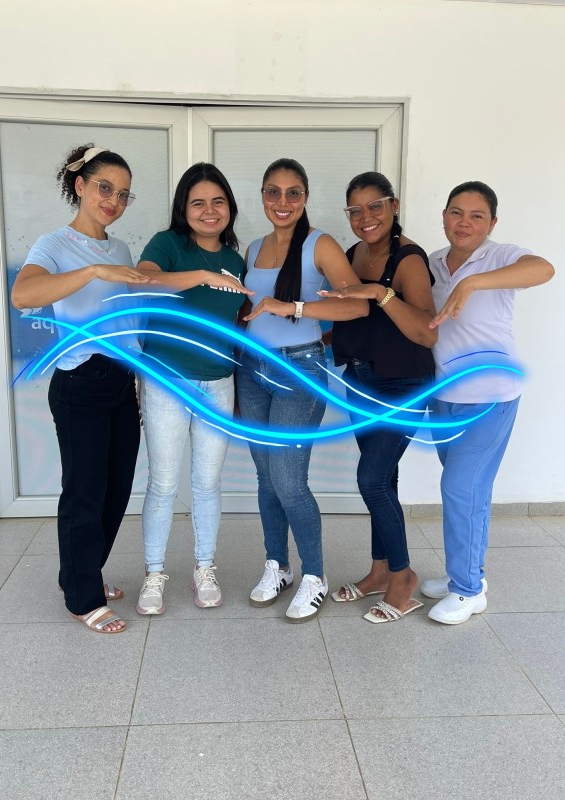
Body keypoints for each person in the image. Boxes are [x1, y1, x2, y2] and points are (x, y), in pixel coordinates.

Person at [11, 144, 151, 633]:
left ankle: (81, 571)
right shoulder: (54, 244)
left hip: (121, 380)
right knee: (85, 492)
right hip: (80, 382)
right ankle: (82, 596)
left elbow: (126, 320)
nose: (114, 201)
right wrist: (92, 270)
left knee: (116, 489)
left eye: (124, 194)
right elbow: (23, 294)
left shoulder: (121, 249)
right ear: (80, 186)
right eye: (104, 188)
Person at [237, 157, 368, 623]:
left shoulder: (320, 244)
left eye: (293, 193)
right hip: (252, 369)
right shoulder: (253, 248)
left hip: (299, 371)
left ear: (305, 198)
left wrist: (291, 307)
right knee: (266, 478)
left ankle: (315, 575)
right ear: (262, 196)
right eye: (273, 192)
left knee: (290, 481)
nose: (283, 201)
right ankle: (278, 565)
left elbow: (357, 307)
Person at [422, 181, 554, 624]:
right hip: (443, 398)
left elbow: (544, 269)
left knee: (460, 489)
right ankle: (466, 574)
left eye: (477, 216)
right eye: (456, 212)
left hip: (490, 399)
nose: (465, 223)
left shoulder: (500, 256)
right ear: (444, 216)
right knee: (469, 492)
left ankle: (467, 591)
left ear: (492, 223)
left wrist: (473, 282)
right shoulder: (432, 263)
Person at [317, 172, 437, 623]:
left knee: (370, 479)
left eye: (375, 206)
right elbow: (358, 319)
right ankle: (380, 571)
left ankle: (403, 577)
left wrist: (382, 293)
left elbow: (425, 332)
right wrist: (315, 335)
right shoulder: (354, 254)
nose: (365, 217)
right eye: (355, 210)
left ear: (394, 205)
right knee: (383, 480)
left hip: (403, 385)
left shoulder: (408, 259)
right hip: (361, 382)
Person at [134, 163, 252, 615]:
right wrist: (203, 275)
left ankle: (205, 567)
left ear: (230, 208)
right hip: (167, 380)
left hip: (218, 383)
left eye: (218, 201)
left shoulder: (236, 260)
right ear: (183, 208)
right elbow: (144, 279)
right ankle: (154, 573)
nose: (209, 210)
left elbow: (235, 325)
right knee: (163, 483)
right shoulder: (168, 245)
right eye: (197, 202)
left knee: (207, 483)